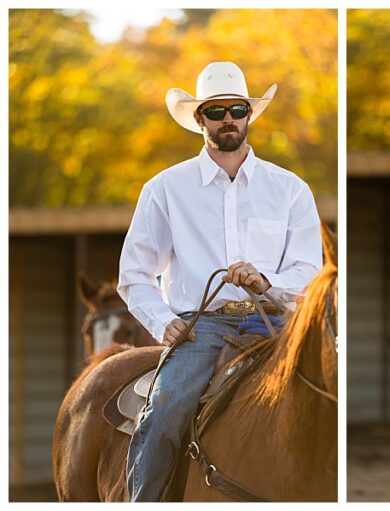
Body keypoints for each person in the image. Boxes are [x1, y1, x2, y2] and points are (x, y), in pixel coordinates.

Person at [118, 61, 323, 501]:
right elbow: (134, 275)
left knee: (330, 392)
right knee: (165, 410)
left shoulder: (290, 189)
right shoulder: (165, 188)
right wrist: (162, 322)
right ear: (199, 119)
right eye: (216, 111)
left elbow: (310, 273)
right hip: (202, 327)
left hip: (278, 324)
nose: (228, 118)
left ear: (249, 114)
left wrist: (266, 282)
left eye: (237, 109)